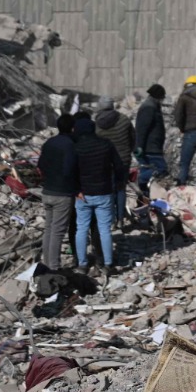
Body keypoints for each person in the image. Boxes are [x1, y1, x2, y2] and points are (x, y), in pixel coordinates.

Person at [72, 114, 127, 274]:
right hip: (104, 192)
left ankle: (82, 264)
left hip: (83, 194)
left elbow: (71, 171)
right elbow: (119, 166)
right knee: (104, 229)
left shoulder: (76, 147)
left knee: (81, 228)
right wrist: (118, 183)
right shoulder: (106, 144)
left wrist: (76, 190)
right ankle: (108, 264)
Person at [38, 114, 79, 272]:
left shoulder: (49, 142)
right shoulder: (70, 145)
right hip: (62, 193)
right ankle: (54, 267)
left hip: (47, 190)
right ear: (72, 128)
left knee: (49, 229)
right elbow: (69, 169)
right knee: (57, 231)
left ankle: (47, 263)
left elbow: (41, 164)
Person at [94, 100, 136, 223]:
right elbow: (133, 138)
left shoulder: (96, 123)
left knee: (108, 190)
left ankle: (111, 221)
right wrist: (129, 151)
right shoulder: (124, 119)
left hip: (105, 161)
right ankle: (120, 219)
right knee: (121, 188)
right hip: (123, 159)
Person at [134, 84, 169, 193]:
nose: (163, 100)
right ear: (157, 96)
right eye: (162, 97)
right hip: (150, 147)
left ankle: (146, 195)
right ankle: (139, 179)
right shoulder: (149, 107)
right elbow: (142, 128)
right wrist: (139, 146)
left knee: (149, 170)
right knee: (161, 169)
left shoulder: (152, 106)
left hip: (153, 146)